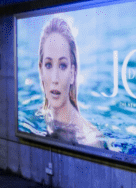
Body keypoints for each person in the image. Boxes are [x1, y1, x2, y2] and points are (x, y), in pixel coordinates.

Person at [38, 17, 102, 147]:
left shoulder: (89, 139)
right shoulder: (40, 115)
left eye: (62, 66)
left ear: (72, 73)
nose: (55, 79)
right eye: (49, 65)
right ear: (41, 70)